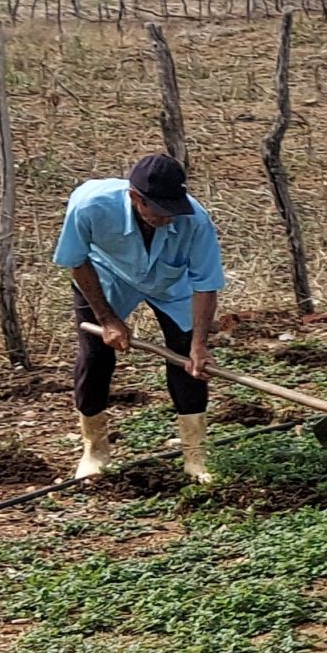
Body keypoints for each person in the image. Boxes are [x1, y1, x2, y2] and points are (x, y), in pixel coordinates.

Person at [52, 154, 225, 484]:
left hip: (169, 281)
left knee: (188, 361)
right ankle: (95, 450)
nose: (167, 217)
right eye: (158, 210)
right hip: (106, 276)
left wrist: (199, 345)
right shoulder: (90, 205)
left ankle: (195, 456)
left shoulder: (194, 220)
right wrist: (107, 319)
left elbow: (206, 284)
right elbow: (76, 261)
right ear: (135, 197)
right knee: (95, 356)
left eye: (172, 208)